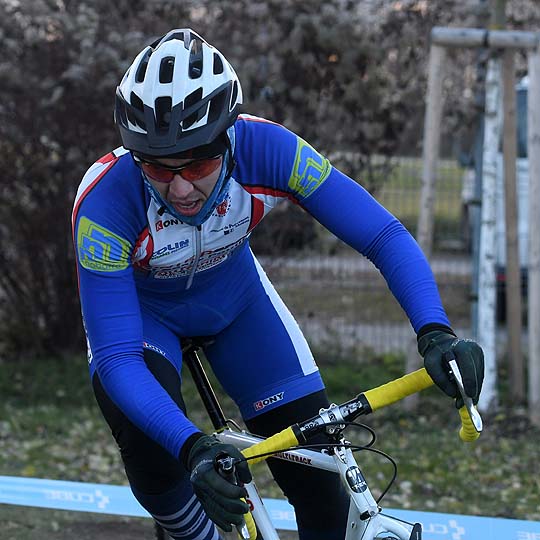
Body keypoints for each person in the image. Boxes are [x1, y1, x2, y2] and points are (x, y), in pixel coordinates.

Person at [72, 29, 484, 540]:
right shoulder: (105, 202)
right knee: (156, 455)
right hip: (143, 321)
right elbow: (117, 358)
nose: (179, 187)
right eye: (157, 166)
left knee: (321, 489)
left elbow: (383, 235)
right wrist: (193, 446)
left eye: (198, 164)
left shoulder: (270, 150)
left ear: (228, 138)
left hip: (236, 305)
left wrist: (435, 331)